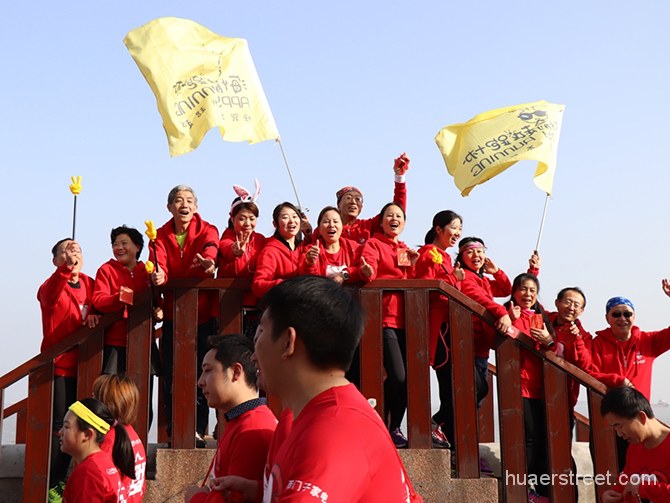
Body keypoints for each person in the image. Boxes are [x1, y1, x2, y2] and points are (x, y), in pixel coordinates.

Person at [236, 275, 421, 501]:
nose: (253, 356)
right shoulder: (315, 416)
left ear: (288, 342)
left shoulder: (336, 430)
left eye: (261, 334)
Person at [149, 185, 219, 447]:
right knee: (171, 373)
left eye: (189, 200)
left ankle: (199, 429)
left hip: (203, 316)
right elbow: (160, 265)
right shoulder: (160, 235)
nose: (184, 204)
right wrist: (160, 276)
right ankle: (174, 430)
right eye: (178, 200)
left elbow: (211, 248)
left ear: (196, 207)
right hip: (174, 317)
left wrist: (209, 262)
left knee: (204, 371)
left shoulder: (207, 229)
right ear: (169, 207)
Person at [38, 238, 100, 489]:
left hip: (87, 364)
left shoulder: (89, 283)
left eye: (77, 250)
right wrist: (65, 269)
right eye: (66, 251)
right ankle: (54, 483)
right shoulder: (49, 287)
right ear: (55, 261)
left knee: (84, 423)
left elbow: (100, 303)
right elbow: (52, 292)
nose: (73, 254)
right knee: (60, 426)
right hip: (59, 366)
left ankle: (75, 478)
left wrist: (96, 312)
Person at [185, 334, 277, 503]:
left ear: (236, 372)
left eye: (208, 370)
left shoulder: (251, 431)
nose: (200, 381)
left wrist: (195, 497)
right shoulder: (241, 420)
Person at [590, 284, 670, 470]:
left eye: (627, 314)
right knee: (609, 470)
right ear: (607, 318)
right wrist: (618, 380)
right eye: (616, 314)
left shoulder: (647, 341)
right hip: (608, 421)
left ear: (634, 317)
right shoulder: (597, 344)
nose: (622, 318)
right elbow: (588, 371)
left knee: (643, 470)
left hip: (638, 420)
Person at [360, 202, 418, 448]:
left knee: (410, 378)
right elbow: (369, 271)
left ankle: (392, 426)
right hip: (384, 319)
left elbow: (413, 282)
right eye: (389, 216)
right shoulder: (373, 243)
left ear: (404, 224)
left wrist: (415, 265)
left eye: (399, 216)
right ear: (381, 221)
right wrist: (366, 271)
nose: (394, 219)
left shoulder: (405, 249)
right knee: (398, 376)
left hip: (409, 322)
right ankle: (383, 422)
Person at [452, 236, 514, 449]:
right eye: (470, 251)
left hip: (481, 346)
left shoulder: (483, 279)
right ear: (461, 256)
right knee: (475, 392)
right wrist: (502, 312)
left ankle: (463, 446)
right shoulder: (465, 277)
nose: (476, 255)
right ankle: (450, 434)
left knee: (477, 396)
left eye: (480, 251)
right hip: (467, 342)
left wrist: (496, 271)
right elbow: (479, 298)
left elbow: (506, 290)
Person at [413, 210, 464, 449]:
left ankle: (437, 425)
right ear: (438, 229)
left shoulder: (445, 257)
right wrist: (454, 278)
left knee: (454, 386)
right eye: (453, 228)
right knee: (441, 382)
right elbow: (427, 286)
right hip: (434, 326)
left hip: (446, 327)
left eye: (459, 230)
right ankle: (430, 426)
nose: (457, 234)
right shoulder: (428, 253)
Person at [505, 273, 556, 503]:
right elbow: (501, 341)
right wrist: (510, 318)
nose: (528, 294)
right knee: (526, 439)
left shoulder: (540, 318)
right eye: (523, 289)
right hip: (519, 385)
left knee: (541, 439)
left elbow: (551, 350)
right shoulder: (507, 314)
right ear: (514, 292)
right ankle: (525, 489)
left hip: (541, 387)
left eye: (532, 290)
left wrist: (548, 340)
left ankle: (539, 488)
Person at [92, 225, 151, 374]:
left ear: (137, 247)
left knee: (141, 390)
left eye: (124, 243)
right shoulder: (106, 270)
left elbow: (156, 299)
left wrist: (158, 309)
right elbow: (98, 300)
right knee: (111, 392)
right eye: (115, 244)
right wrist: (119, 298)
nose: (119, 248)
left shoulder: (147, 272)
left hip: (143, 338)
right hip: (114, 341)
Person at [59, 397, 135, 503]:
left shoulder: (88, 473)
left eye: (67, 427)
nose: (60, 432)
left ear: (87, 434)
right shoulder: (102, 461)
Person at [601, 387, 670, 503]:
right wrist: (613, 494)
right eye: (614, 428)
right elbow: (626, 482)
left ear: (641, 417)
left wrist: (642, 489)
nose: (619, 434)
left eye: (620, 426)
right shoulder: (634, 446)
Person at [92, 374, 147, 502]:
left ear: (105, 404)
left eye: (95, 397)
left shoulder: (109, 439)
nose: (91, 400)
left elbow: (99, 481)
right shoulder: (130, 433)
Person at [337, 153, 409, 244]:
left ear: (361, 207)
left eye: (358, 199)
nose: (353, 202)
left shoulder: (368, 226)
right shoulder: (328, 227)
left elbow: (397, 208)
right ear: (338, 205)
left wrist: (399, 176)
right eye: (348, 198)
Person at [217, 181, 267, 313]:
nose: (247, 223)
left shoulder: (260, 240)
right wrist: (235, 251)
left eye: (252, 218)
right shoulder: (226, 237)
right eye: (242, 218)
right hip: (228, 306)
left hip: (254, 306)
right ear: (232, 219)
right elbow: (226, 248)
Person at [299, 206, 365, 284]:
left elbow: (361, 268)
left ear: (342, 227)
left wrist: (344, 275)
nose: (331, 225)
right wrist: (310, 263)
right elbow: (309, 281)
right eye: (326, 221)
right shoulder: (310, 251)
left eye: (336, 221)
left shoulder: (354, 248)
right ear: (319, 229)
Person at [252, 202, 304, 300]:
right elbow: (258, 285)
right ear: (275, 224)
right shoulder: (270, 251)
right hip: (280, 306)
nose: (291, 221)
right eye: (285, 217)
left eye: (295, 216)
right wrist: (286, 285)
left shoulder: (303, 247)